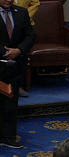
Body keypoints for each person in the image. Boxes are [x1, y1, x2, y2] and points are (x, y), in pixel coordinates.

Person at [0, 0, 35, 148]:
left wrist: (18, 50)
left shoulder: (21, 12)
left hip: (15, 66)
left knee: (11, 102)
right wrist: (5, 53)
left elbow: (30, 36)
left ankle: (7, 137)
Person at [13, 0, 40, 97]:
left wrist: (21, 17)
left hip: (24, 23)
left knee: (21, 53)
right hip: (3, 20)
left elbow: (35, 3)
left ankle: (19, 85)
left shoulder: (22, 15)